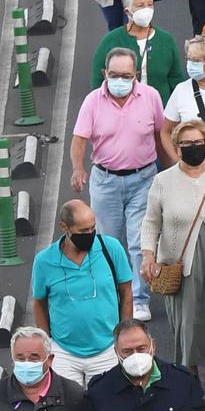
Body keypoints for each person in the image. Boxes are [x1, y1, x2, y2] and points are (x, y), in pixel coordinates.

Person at [70, 45, 169, 318]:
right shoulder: (92, 101)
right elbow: (79, 140)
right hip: (105, 181)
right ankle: (114, 294)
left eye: (126, 75)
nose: (120, 80)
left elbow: (161, 137)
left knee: (139, 240)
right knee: (108, 242)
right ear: (105, 72)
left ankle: (138, 298)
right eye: (114, 74)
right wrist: (78, 169)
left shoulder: (151, 97)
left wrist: (171, 172)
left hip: (143, 179)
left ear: (136, 74)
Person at [140, 118, 205, 379]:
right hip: (180, 266)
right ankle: (188, 372)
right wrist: (148, 256)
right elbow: (151, 221)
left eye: (198, 142)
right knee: (185, 322)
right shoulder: (163, 180)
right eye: (186, 143)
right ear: (177, 147)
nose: (193, 147)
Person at [31, 199, 133, 390]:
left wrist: (125, 336)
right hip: (64, 352)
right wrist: (48, 343)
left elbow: (126, 292)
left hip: (108, 349)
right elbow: (39, 303)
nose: (90, 235)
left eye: (93, 228)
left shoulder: (111, 248)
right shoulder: (44, 261)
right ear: (65, 227)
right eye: (83, 231)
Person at [92, 0, 186, 103]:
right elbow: (97, 82)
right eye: (140, 5)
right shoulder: (110, 41)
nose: (146, 10)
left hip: (161, 111)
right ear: (127, 11)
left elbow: (176, 79)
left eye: (150, 4)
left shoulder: (166, 40)